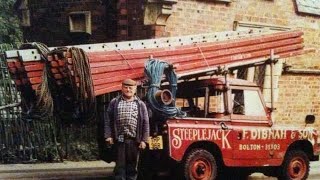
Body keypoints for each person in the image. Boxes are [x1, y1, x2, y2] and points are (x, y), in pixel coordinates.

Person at [104, 78, 149, 180]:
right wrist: (108, 136)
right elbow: (107, 120)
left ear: (135, 89)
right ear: (122, 88)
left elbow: (146, 123)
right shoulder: (114, 102)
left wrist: (144, 140)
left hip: (134, 141)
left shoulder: (140, 104)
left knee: (132, 168)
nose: (128, 90)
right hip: (119, 140)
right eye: (126, 87)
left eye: (130, 88)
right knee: (119, 168)